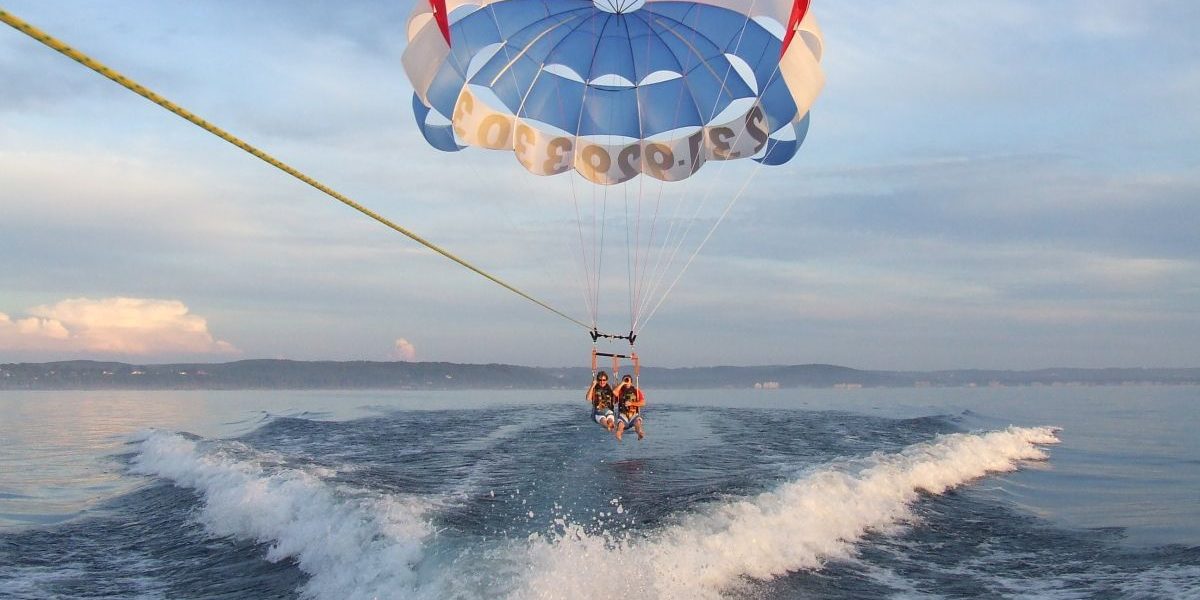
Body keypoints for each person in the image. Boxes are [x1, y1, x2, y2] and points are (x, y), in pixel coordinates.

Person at [612, 374, 645, 441]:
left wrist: (631, 403)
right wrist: (622, 383)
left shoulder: (636, 391)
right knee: (620, 426)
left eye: (628, 380)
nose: (626, 381)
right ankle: (618, 435)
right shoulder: (620, 391)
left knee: (638, 423)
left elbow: (643, 403)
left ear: (631, 382)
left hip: (633, 414)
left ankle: (640, 433)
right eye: (625, 380)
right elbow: (614, 392)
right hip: (623, 414)